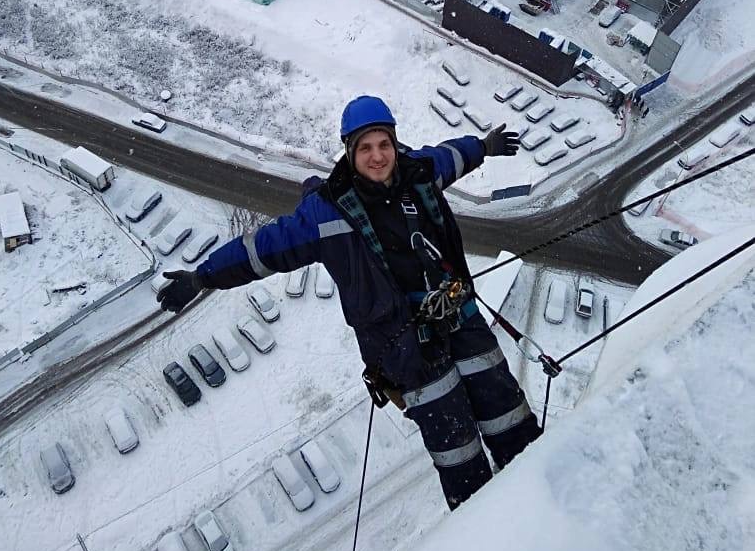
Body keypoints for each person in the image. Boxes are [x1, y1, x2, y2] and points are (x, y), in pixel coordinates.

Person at [158, 96, 542, 510]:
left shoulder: (418, 174)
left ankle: (541, 493)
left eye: (384, 145)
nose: (378, 157)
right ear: (349, 151)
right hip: (406, 348)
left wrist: (482, 147)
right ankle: (485, 528)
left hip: (459, 318)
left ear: (395, 145)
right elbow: (262, 251)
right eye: (365, 148)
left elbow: (450, 157)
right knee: (459, 454)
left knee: (510, 418)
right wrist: (202, 276)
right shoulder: (327, 216)